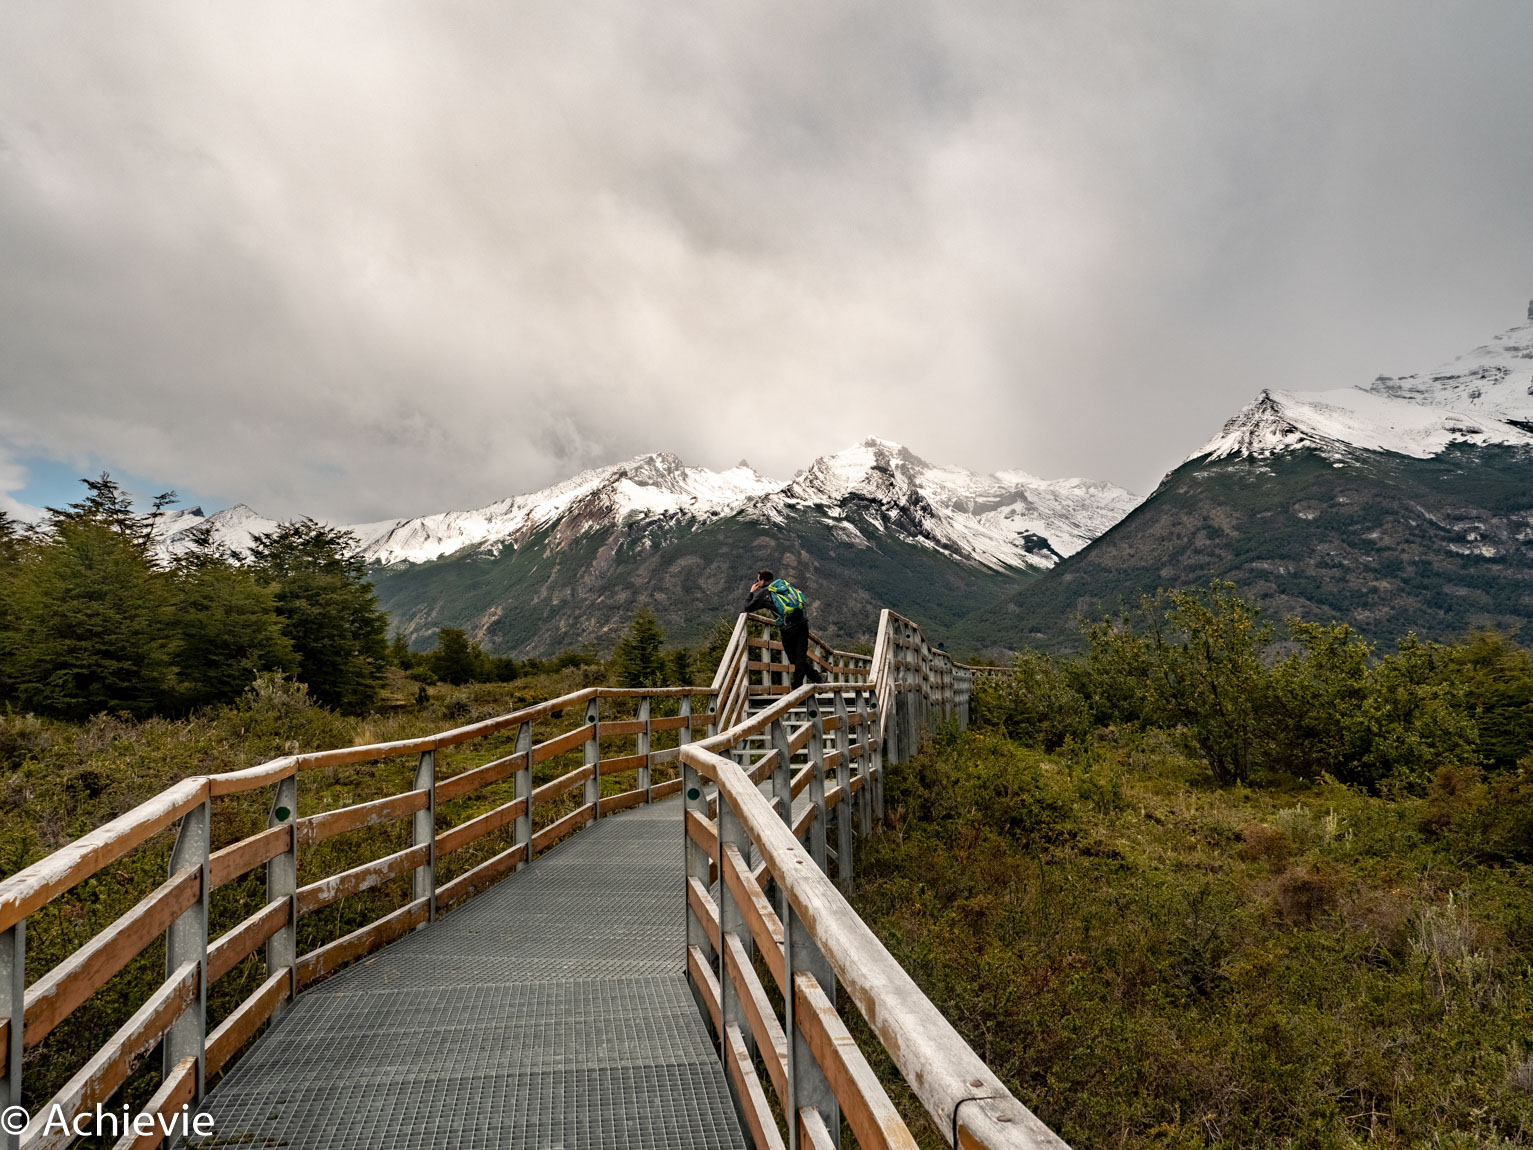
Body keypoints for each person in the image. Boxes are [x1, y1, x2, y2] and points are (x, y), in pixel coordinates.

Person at [744, 570, 823, 689]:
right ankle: (816, 678)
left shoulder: (765, 593)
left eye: (757, 580)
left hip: (788, 628)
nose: (757, 582)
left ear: (762, 581)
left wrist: (751, 592)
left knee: (793, 657)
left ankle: (798, 685)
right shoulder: (785, 586)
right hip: (802, 623)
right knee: (800, 655)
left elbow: (747, 607)